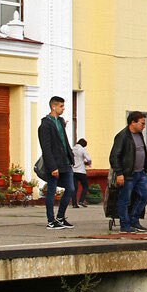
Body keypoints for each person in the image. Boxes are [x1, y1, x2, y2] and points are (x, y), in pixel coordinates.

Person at [37, 95, 75, 229]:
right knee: (52, 191)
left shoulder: (60, 121)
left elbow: (64, 141)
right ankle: (51, 220)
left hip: (66, 162)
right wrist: (52, 166)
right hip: (53, 164)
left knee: (70, 188)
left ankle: (60, 217)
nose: (63, 109)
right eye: (61, 106)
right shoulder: (45, 125)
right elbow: (46, 148)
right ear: (54, 107)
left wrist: (71, 157)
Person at [109, 111, 147, 233]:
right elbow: (114, 156)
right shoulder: (122, 136)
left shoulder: (139, 134)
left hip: (141, 173)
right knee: (124, 200)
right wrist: (119, 173)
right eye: (142, 123)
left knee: (145, 196)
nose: (144, 126)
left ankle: (134, 220)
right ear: (133, 122)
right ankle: (125, 225)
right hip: (127, 174)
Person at [71, 138, 91, 208]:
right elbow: (89, 159)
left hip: (73, 171)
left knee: (74, 188)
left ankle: (74, 203)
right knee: (85, 186)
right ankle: (81, 201)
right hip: (81, 171)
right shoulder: (82, 150)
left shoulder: (72, 149)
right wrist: (88, 163)